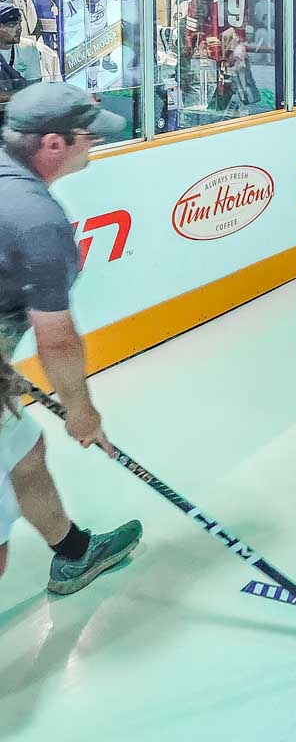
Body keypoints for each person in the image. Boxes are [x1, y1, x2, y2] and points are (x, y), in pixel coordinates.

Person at [0, 83, 142, 592]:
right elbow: (55, 339)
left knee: (23, 449)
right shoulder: (38, 223)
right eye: (89, 135)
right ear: (53, 144)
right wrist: (81, 411)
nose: (96, 142)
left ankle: (74, 552)